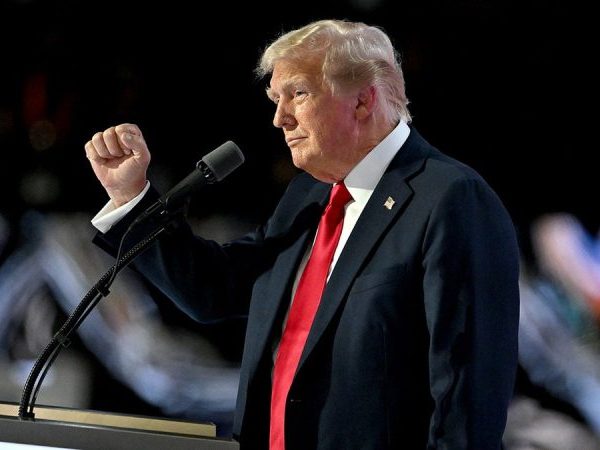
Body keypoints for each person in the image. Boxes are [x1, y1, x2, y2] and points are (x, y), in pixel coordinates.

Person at [85, 19, 520, 450]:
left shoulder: (450, 199)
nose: (279, 118)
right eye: (276, 99)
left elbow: (467, 397)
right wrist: (131, 197)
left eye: (298, 94)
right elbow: (213, 290)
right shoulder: (309, 196)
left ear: (363, 100)